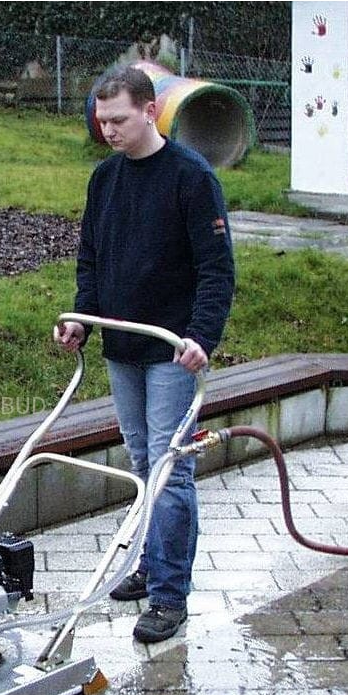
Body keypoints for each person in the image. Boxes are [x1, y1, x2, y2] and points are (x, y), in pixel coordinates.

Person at [55, 64, 235, 644]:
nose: (108, 130)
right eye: (102, 121)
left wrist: (202, 336)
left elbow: (216, 269)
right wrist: (81, 319)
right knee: (142, 465)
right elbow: (91, 259)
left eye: (119, 120)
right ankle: (149, 563)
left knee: (170, 469)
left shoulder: (191, 177)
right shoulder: (105, 179)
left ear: (150, 111)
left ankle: (168, 595)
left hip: (171, 351)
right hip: (122, 345)